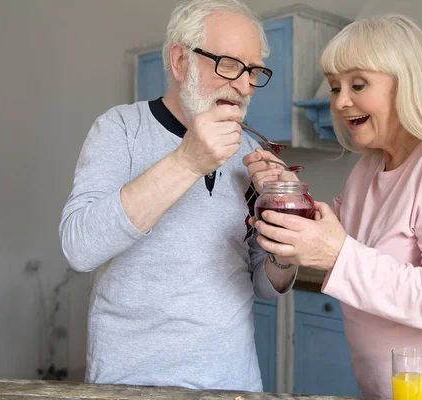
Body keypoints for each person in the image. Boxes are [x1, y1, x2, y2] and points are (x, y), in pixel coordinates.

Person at [246, 14, 422, 400]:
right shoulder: (368, 169)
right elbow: (337, 238)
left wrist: (336, 255)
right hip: (398, 386)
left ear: (408, 84)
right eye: (334, 87)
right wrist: (288, 196)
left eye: (358, 84)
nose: (341, 100)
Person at [59, 0, 298, 391]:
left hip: (234, 383)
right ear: (180, 61)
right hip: (130, 385)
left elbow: (261, 283)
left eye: (253, 71)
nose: (243, 85)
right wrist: (188, 161)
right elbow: (78, 248)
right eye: (229, 64)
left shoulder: (251, 153)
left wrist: (285, 249)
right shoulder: (119, 129)